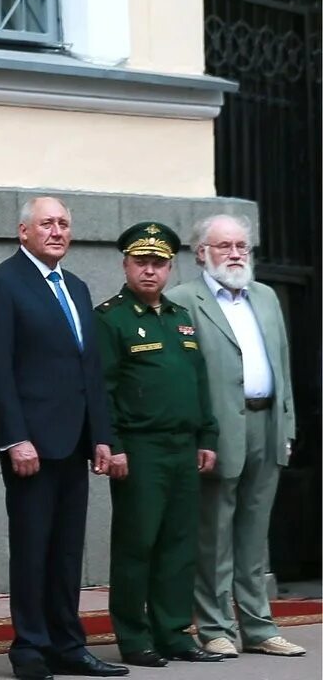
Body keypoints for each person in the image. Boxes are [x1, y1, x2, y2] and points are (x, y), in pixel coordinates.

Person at [0, 197, 124, 680]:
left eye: (63, 224)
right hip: (31, 445)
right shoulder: (0, 284)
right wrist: (14, 437)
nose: (57, 232)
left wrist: (101, 435)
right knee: (33, 549)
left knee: (67, 551)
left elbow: (89, 368)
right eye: (46, 224)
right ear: (23, 232)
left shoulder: (75, 287)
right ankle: (30, 649)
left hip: (74, 441)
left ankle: (68, 645)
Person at [174, 214, 305, 659]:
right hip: (218, 431)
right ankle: (215, 627)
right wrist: (197, 436)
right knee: (214, 534)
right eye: (224, 246)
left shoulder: (265, 296)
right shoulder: (183, 300)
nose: (235, 254)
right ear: (201, 253)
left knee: (254, 533)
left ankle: (260, 627)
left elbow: (281, 363)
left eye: (241, 246)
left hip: (266, 423)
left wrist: (287, 425)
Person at [93, 222, 223, 668]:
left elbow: (198, 381)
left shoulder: (178, 317)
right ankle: (134, 636)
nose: (150, 271)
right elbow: (102, 389)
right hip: (140, 448)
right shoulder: (110, 318)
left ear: (170, 268)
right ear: (125, 265)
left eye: (159, 263)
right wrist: (112, 443)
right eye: (141, 262)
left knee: (178, 544)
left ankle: (173, 632)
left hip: (183, 446)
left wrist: (207, 435)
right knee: (137, 545)